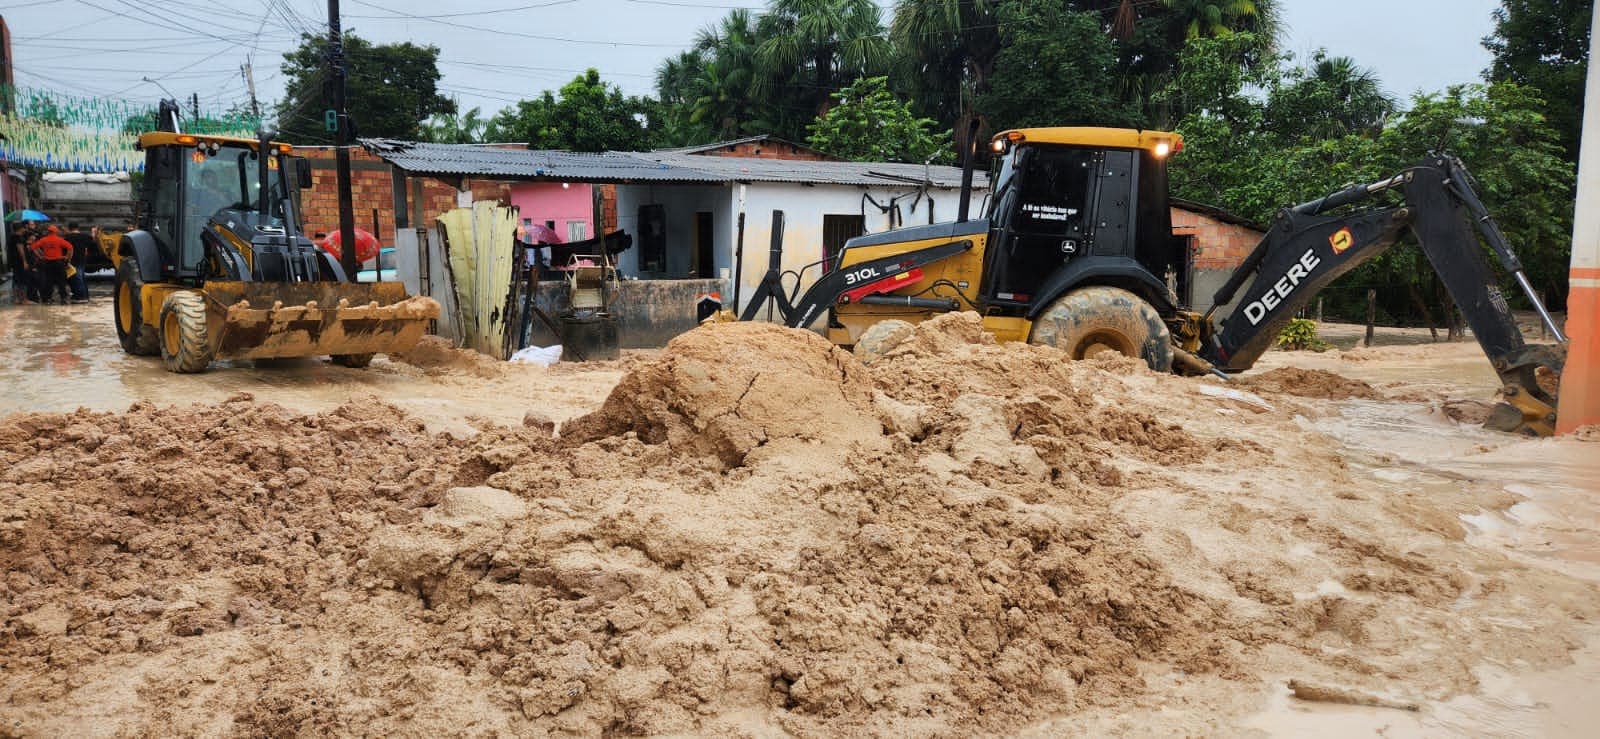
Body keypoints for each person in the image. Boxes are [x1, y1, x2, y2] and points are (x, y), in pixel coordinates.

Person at [30, 225, 73, 305]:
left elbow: (32, 247)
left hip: (47, 263)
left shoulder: (43, 240)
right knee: (61, 281)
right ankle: (63, 299)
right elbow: (70, 248)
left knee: (48, 281)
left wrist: (40, 256)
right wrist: (67, 258)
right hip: (59, 263)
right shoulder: (59, 240)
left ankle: (48, 299)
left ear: (48, 231)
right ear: (55, 232)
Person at [63, 222, 96, 303]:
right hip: (82, 259)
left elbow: (65, 249)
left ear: (69, 228)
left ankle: (81, 297)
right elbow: (92, 242)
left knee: (76, 278)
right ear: (78, 228)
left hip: (72, 259)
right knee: (81, 277)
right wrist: (93, 232)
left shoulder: (67, 237)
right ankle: (85, 296)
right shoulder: (85, 236)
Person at [8, 222, 35, 305]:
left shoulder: (12, 237)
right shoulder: (18, 238)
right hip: (19, 262)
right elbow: (21, 250)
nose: (24, 229)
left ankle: (17, 299)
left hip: (14, 262)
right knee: (23, 280)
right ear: (20, 228)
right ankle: (24, 299)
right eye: (23, 228)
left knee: (17, 280)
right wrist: (24, 261)